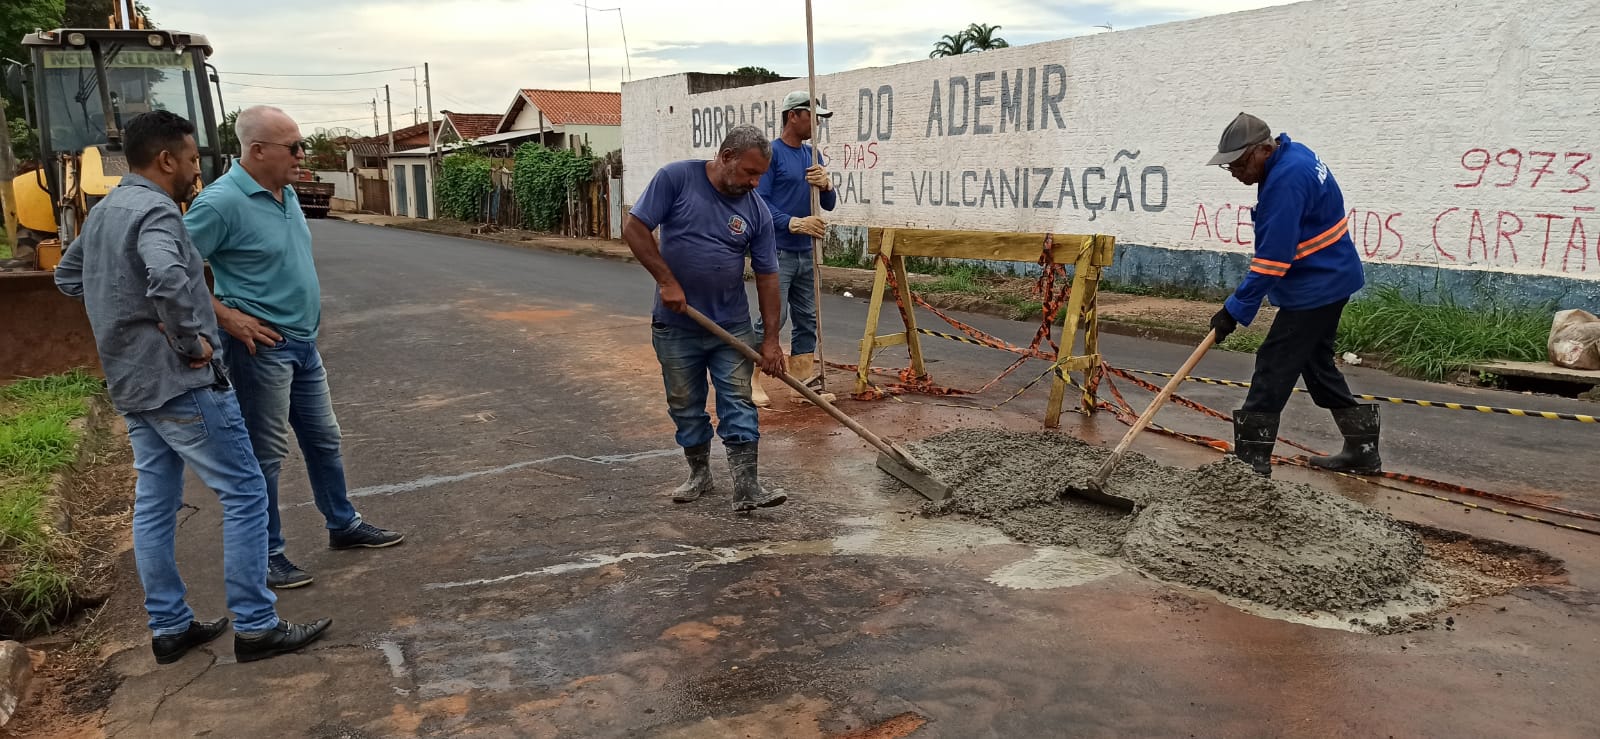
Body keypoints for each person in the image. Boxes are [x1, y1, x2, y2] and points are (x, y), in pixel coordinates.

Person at [55, 110, 331, 664]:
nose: (194, 169)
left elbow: (68, 277)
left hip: (132, 383)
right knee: (246, 492)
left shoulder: (107, 209)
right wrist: (188, 341)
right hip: (180, 383)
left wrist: (125, 322)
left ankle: (170, 625)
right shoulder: (158, 212)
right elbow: (166, 276)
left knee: (155, 502)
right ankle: (256, 625)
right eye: (190, 159)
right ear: (165, 160)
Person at [184, 105, 403, 590]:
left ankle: (342, 524)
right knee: (265, 455)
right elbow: (174, 270)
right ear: (257, 150)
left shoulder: (284, 194)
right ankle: (267, 554)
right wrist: (225, 314)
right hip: (260, 348)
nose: (302, 155)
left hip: (303, 344)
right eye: (294, 147)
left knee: (324, 439)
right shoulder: (220, 203)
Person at [623, 124, 790, 512]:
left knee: (738, 401)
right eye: (750, 172)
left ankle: (747, 486)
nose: (755, 182)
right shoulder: (676, 179)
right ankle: (699, 473)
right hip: (675, 325)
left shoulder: (756, 210)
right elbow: (634, 227)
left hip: (730, 326)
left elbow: (768, 276)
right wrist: (667, 281)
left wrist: (769, 341)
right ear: (726, 156)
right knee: (684, 402)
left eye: (760, 175)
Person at [1205, 112, 1380, 477]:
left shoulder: (1285, 181)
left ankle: (1250, 465)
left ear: (1263, 150)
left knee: (1274, 365)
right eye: (1229, 166)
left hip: (1318, 285)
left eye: (1238, 163)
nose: (1235, 172)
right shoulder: (1294, 155)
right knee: (1316, 366)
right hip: (1331, 276)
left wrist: (1232, 311)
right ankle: (1361, 448)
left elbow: (1272, 262)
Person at [750, 91, 838, 406]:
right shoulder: (770, 154)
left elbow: (827, 203)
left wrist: (827, 184)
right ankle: (750, 380)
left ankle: (802, 384)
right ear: (793, 116)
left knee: (807, 318)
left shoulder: (813, 155)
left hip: (806, 252)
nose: (816, 123)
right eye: (812, 116)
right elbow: (760, 203)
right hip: (777, 252)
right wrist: (793, 223)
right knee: (774, 316)